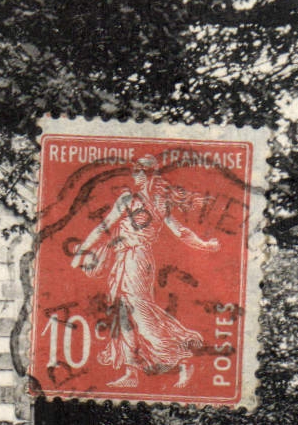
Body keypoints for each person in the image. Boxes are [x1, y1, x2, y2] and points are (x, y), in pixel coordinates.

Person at [70, 155, 219, 388]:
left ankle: (181, 359)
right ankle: (131, 373)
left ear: (150, 174)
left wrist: (204, 244)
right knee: (122, 316)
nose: (136, 175)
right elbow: (104, 226)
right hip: (123, 259)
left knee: (139, 313)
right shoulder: (128, 199)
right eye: (135, 171)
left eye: (140, 171)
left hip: (138, 259)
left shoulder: (159, 203)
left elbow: (180, 231)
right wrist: (84, 250)